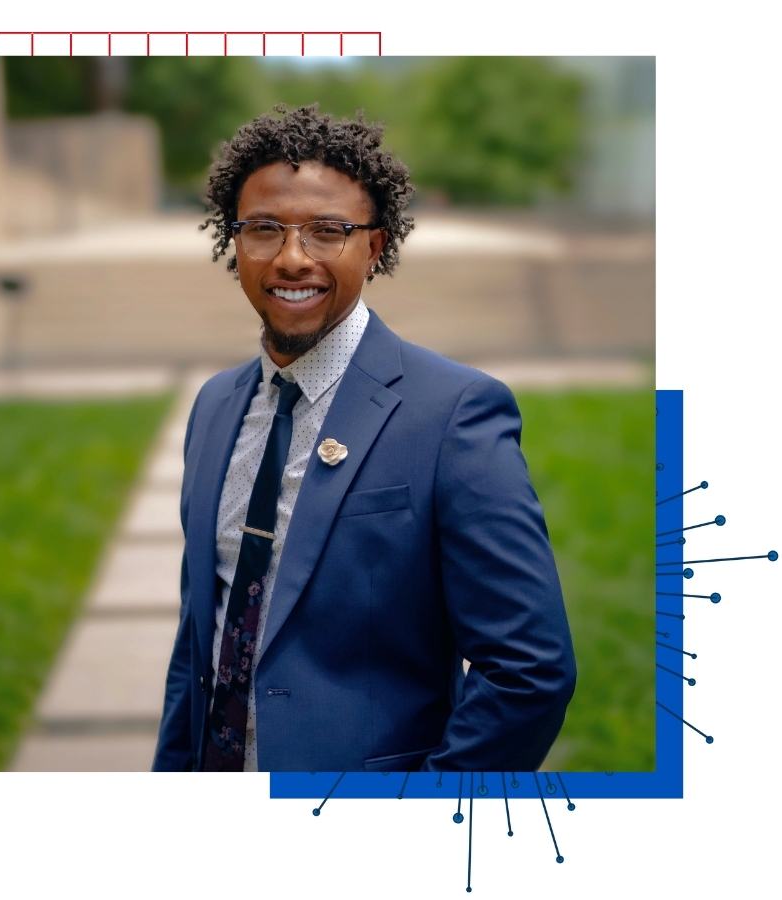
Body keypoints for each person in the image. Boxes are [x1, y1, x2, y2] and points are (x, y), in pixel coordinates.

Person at [152, 105, 575, 773]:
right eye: (264, 229)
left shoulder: (453, 413)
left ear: (374, 247)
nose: (293, 258)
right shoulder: (213, 408)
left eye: (328, 231)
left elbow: (528, 673)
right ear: (234, 241)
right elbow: (200, 639)